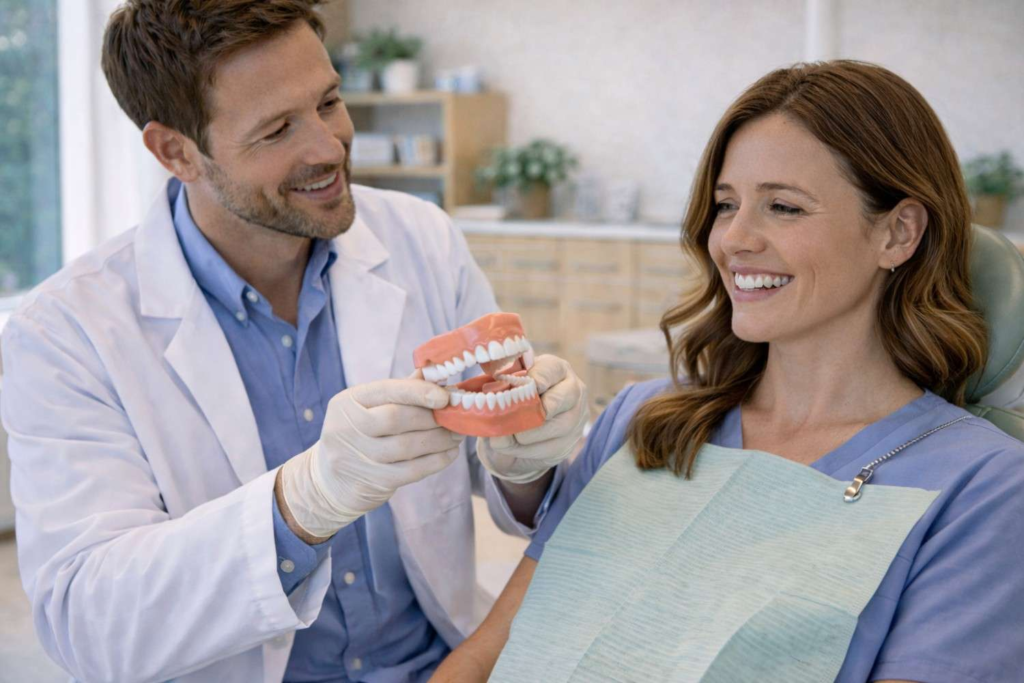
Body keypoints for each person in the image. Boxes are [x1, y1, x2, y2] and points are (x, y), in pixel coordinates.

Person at [0, 1, 587, 681]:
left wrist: (526, 462)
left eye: (329, 101)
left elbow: (507, 484)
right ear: (175, 151)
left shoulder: (420, 237)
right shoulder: (65, 332)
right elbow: (88, 623)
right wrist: (299, 506)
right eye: (277, 129)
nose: (328, 146)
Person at [433, 60, 1024, 683]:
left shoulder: (983, 489)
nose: (733, 240)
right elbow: (485, 655)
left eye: (784, 207)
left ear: (898, 233)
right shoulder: (644, 420)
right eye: (725, 204)